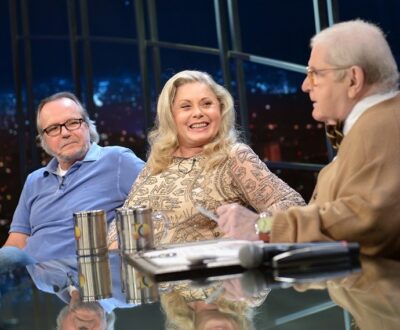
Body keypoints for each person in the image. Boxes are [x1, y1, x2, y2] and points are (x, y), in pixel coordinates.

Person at [216, 19, 400, 259]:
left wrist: (259, 227)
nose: (305, 85)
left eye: (315, 74)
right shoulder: (373, 125)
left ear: (353, 79)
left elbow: (362, 222)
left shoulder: (379, 129)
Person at [107, 70, 305, 247]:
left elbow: (292, 206)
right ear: (171, 116)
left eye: (207, 104)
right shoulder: (159, 161)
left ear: (220, 109)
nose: (198, 113)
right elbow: (123, 219)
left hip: (217, 281)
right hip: (156, 281)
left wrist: (255, 227)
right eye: (186, 107)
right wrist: (116, 243)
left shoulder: (234, 156)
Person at [2, 91, 144, 262]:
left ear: (87, 125)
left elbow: (164, 203)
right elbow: (17, 243)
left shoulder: (118, 160)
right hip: (33, 283)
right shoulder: (34, 180)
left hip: (91, 281)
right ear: (44, 140)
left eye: (72, 122)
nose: (65, 133)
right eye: (54, 128)